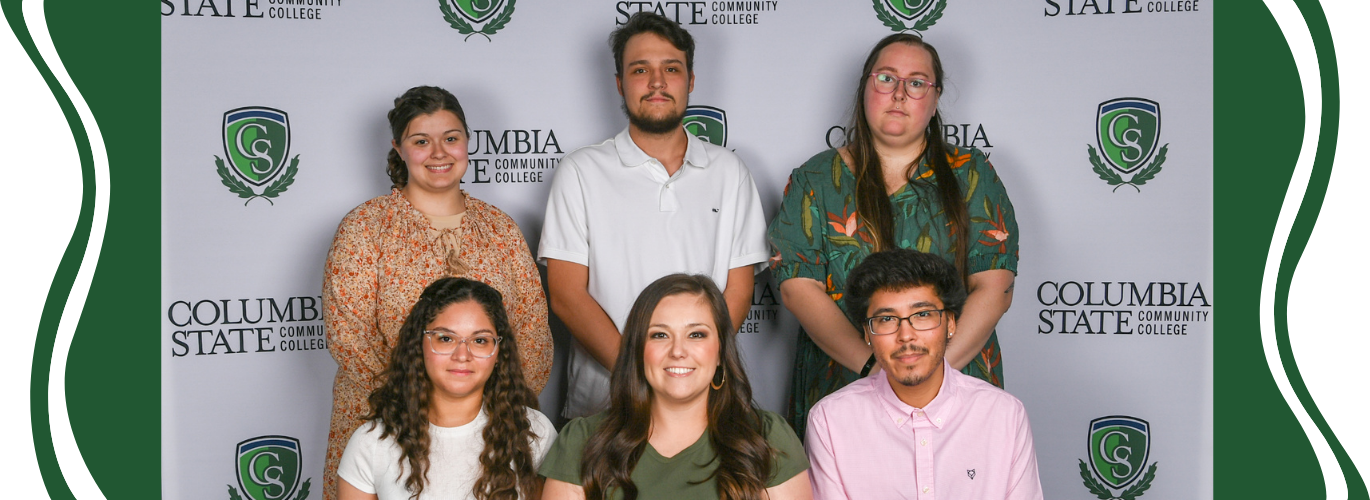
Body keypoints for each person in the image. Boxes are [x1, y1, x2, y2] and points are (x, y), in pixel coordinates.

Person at [767, 34, 1018, 438]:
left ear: (934, 100)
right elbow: (799, 288)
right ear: (865, 87)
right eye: (886, 78)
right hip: (844, 384)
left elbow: (995, 286)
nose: (899, 93)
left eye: (917, 82)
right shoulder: (815, 180)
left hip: (955, 390)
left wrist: (930, 379)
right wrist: (874, 371)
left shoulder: (971, 174)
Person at [324, 86, 553, 500]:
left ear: (467, 141)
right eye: (420, 140)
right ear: (398, 148)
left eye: (451, 138)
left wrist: (485, 410)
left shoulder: (501, 229)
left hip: (488, 430)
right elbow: (349, 335)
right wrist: (420, 407)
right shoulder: (365, 227)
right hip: (385, 423)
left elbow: (532, 333)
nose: (439, 152)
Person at [539, 12, 768, 419]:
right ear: (620, 84)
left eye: (671, 69)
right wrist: (639, 377)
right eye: (640, 69)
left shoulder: (730, 172)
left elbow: (738, 291)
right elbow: (567, 295)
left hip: (702, 405)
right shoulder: (581, 171)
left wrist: (688, 375)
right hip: (603, 405)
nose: (657, 82)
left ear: (691, 81)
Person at [539, 274, 811, 500]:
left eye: (696, 334)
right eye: (660, 335)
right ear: (637, 351)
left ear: (719, 352)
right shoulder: (583, 442)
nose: (678, 351)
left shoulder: (768, 438)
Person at [805, 249, 1042, 499]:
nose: (905, 335)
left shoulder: (1003, 414)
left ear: (951, 323)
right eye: (886, 319)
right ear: (867, 334)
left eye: (923, 315)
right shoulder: (830, 420)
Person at [338, 277, 556, 500]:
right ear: (418, 345)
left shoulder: (535, 433)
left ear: (499, 352)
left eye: (480, 340)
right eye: (445, 338)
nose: (462, 355)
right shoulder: (371, 443)